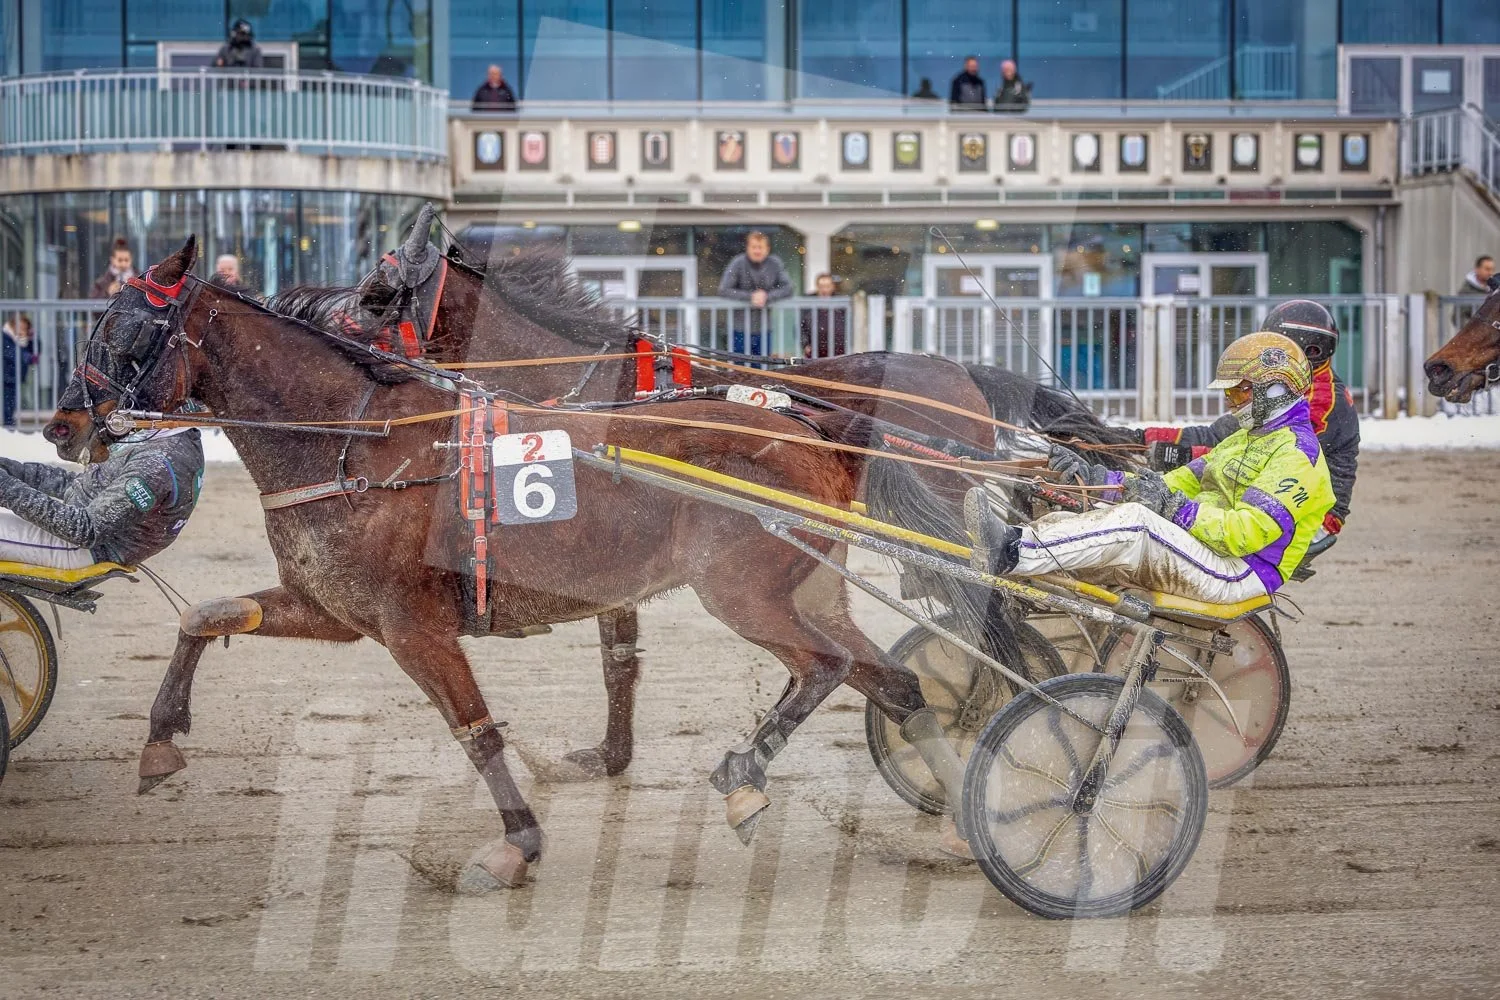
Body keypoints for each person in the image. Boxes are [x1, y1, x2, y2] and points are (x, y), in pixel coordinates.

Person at [966, 333, 1335, 606]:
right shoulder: (1242, 440)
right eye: (1228, 394)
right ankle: (1016, 552)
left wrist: (1174, 509)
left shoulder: (1297, 455)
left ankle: (1013, 550)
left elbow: (1245, 534)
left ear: (1277, 390)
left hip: (1240, 571)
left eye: (1239, 392)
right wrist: (1095, 480)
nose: (1230, 402)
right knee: (1091, 512)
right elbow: (1168, 484)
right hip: (1207, 551)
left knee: (1137, 523)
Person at [1137, 301, 1359, 544]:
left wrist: (1177, 456)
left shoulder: (1317, 401)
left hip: (1314, 515)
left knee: (1186, 527)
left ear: (1309, 349)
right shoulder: (1295, 381)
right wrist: (1139, 438)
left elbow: (1254, 457)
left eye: (1274, 348)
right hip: (1283, 490)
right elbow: (1217, 435)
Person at [0, 426, 204, 569]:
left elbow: (86, 529)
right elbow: (80, 487)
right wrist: (11, 470)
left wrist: (6, 488)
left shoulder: (157, 463)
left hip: (85, 548)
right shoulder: (157, 437)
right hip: (84, 537)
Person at [717, 231, 794, 356]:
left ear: (767, 249)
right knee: (739, 368)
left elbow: (788, 288)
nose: (757, 251)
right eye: (754, 247)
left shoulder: (775, 263)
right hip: (739, 328)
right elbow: (723, 289)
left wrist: (767, 297)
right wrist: (750, 297)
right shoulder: (738, 263)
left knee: (762, 369)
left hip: (764, 327)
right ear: (747, 248)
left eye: (760, 247)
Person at [799, 273, 847, 358]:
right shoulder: (808, 302)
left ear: (833, 287)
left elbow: (849, 325)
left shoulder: (842, 302)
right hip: (814, 350)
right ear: (817, 287)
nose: (824, 290)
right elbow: (800, 327)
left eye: (827, 286)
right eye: (821, 286)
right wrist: (805, 344)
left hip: (838, 350)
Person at [2, 315, 35, 428]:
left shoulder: (22, 339)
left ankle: (9, 423)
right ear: (12, 325)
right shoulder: (5, 336)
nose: (22, 330)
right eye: (20, 326)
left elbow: (34, 350)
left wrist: (31, 338)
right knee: (7, 402)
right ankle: (8, 425)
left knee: (11, 401)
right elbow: (11, 353)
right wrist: (26, 356)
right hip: (6, 375)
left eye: (25, 328)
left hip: (15, 376)